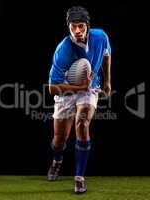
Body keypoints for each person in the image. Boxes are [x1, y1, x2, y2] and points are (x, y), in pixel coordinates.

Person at [47, 6, 111, 194]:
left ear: (87, 27)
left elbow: (107, 56)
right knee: (60, 140)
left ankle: (79, 178)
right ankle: (57, 161)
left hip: (89, 87)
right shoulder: (63, 49)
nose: (77, 31)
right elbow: (52, 88)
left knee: (82, 123)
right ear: (68, 27)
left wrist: (107, 81)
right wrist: (79, 87)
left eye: (81, 26)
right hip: (66, 90)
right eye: (73, 26)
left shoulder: (100, 37)